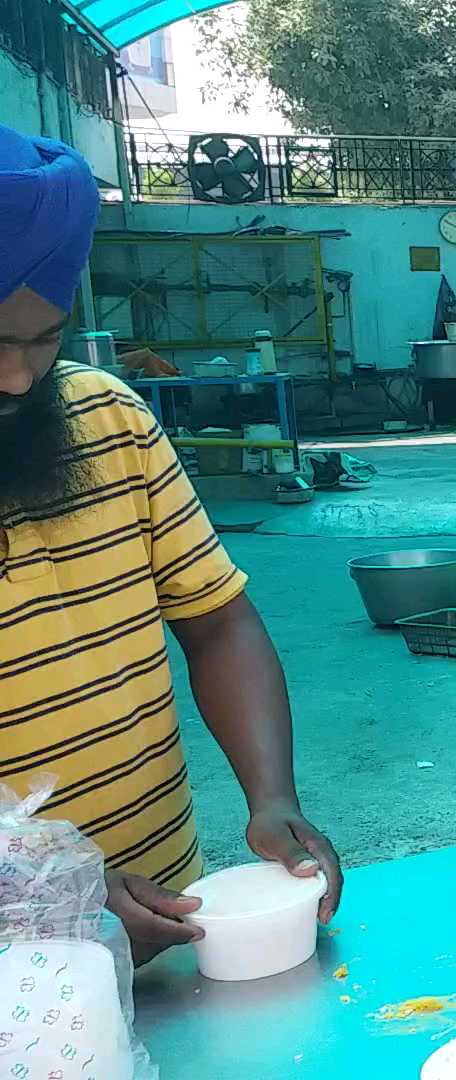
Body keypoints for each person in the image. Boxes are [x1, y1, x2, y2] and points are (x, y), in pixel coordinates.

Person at [0, 123, 342, 961]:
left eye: (42, 343)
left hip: (162, 917)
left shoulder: (107, 418)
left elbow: (216, 621)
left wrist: (273, 796)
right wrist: (38, 899)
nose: (16, 379)